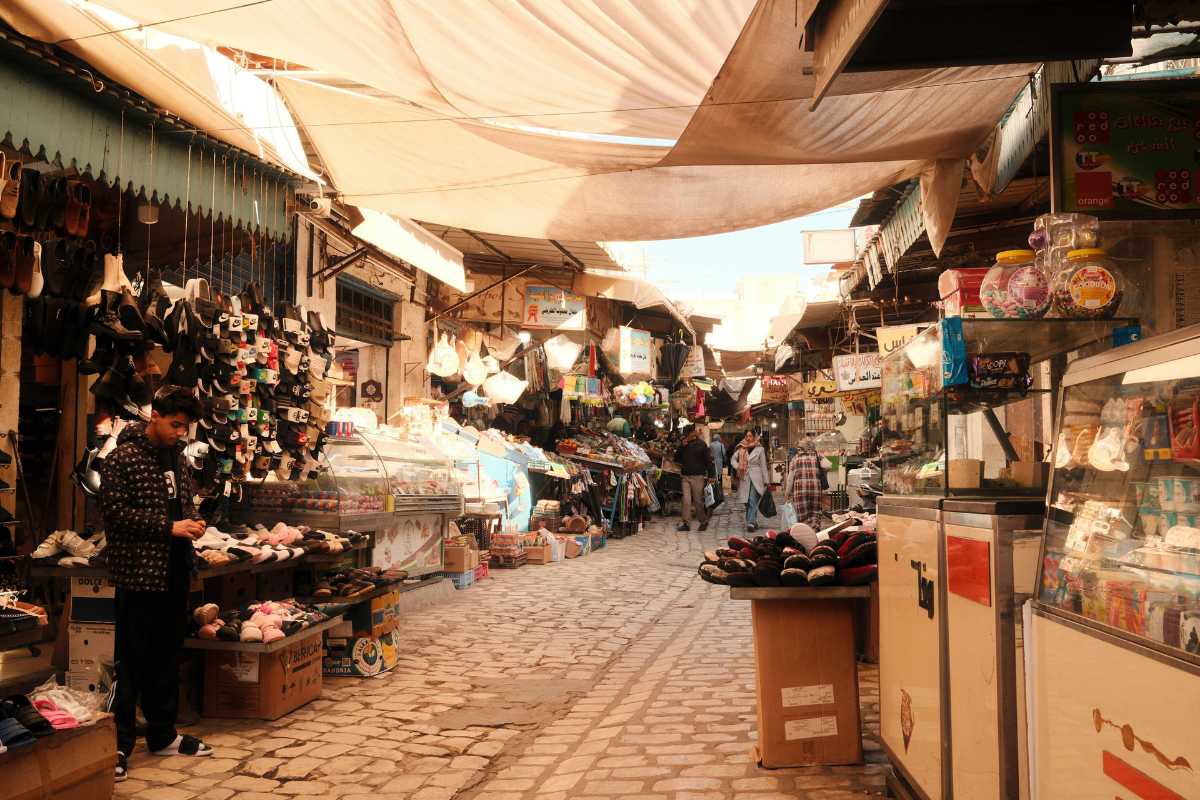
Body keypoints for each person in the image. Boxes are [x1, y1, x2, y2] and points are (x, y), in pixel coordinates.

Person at [100, 387, 213, 782]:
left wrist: (193, 521)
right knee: (131, 661)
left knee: (166, 657)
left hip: (175, 569)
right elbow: (114, 513)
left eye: (185, 427)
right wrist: (169, 527)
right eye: (175, 425)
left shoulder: (177, 456)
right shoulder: (122, 458)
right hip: (138, 573)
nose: (180, 433)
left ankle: (163, 734)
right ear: (155, 416)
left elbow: (183, 503)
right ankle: (118, 745)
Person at [674, 428, 713, 531]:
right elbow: (676, 458)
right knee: (686, 500)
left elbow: (708, 460)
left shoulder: (702, 444)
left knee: (697, 501)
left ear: (694, 433)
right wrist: (682, 446)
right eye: (687, 434)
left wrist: (711, 476)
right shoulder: (684, 444)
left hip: (698, 476)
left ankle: (703, 521)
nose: (689, 435)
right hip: (685, 476)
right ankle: (686, 523)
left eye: (690, 433)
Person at [785, 439, 828, 527]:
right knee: (815, 514)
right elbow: (828, 465)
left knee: (802, 516)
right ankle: (814, 530)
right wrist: (821, 471)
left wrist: (787, 493)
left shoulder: (795, 458)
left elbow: (790, 478)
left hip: (800, 491)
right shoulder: (817, 456)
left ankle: (804, 531)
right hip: (815, 490)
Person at [736, 431, 771, 531]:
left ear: (754, 437)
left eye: (750, 436)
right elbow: (733, 460)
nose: (748, 438)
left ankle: (750, 522)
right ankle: (753, 522)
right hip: (745, 477)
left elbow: (763, 465)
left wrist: (767, 481)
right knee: (747, 501)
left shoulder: (760, 449)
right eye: (746, 436)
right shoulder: (742, 448)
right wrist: (738, 467)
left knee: (752, 499)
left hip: (756, 477)